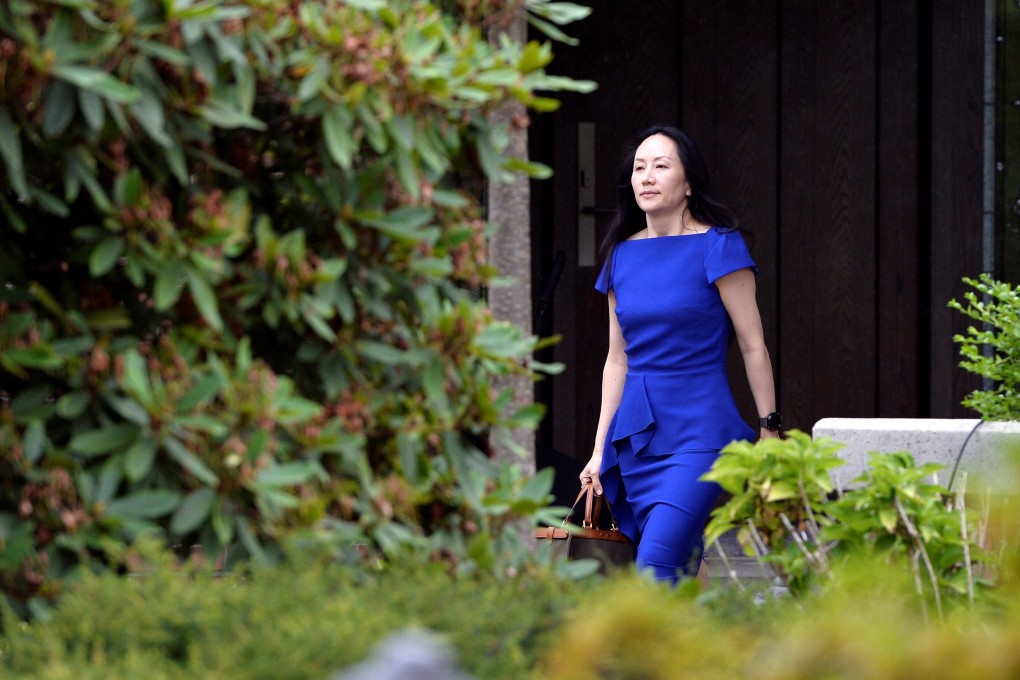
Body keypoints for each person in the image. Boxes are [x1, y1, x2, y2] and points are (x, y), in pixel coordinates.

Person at [580, 124, 780, 583]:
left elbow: (753, 345)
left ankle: (650, 655)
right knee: (683, 563)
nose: (647, 176)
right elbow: (618, 359)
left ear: (688, 183)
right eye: (639, 167)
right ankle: (702, 650)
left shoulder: (719, 246)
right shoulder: (621, 256)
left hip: (699, 431)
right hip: (636, 438)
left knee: (657, 563)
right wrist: (597, 450)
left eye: (661, 166)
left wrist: (769, 429)